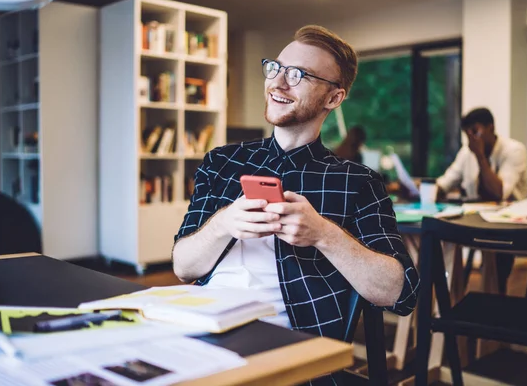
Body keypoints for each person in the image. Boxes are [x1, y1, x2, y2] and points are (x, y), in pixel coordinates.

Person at [172, 25, 419, 353]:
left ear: (334, 97)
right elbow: (183, 267)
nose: (277, 82)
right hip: (199, 327)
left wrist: (323, 235)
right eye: (275, 68)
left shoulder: (359, 182)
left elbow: (400, 295)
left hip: (286, 347)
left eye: (299, 74)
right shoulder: (221, 162)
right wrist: (224, 224)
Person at [436, 107, 527, 293]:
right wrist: (422, 187)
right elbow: (445, 182)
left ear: (491, 127)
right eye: (467, 134)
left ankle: (495, 300)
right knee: (444, 237)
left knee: (496, 255)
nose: (472, 139)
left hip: (509, 225)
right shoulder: (466, 153)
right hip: (473, 219)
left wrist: (480, 156)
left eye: (476, 131)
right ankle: (449, 302)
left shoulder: (514, 150)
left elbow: (498, 193)